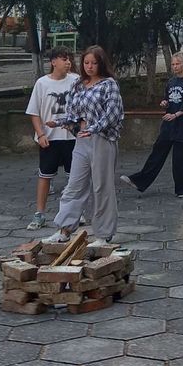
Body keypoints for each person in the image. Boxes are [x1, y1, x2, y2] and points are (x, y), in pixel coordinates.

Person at [47, 45, 124, 245]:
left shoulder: (109, 84)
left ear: (101, 64)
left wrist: (95, 128)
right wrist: (60, 122)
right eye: (86, 63)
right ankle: (64, 230)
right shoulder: (79, 84)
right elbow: (73, 112)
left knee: (102, 187)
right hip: (82, 139)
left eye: (94, 63)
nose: (89, 67)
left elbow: (113, 114)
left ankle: (103, 234)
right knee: (74, 185)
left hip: (102, 139)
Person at [120, 52, 183, 198]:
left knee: (180, 160)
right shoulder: (171, 82)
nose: (175, 67)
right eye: (173, 64)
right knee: (156, 155)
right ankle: (139, 181)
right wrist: (165, 103)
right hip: (169, 126)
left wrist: (176, 115)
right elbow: (169, 99)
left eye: (178, 64)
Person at [24, 47, 80, 229]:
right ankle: (39, 214)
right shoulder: (42, 83)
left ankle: (75, 213)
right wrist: (40, 134)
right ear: (53, 62)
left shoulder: (76, 80)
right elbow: (34, 112)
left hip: (72, 137)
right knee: (45, 175)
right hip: (49, 138)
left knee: (75, 177)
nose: (68, 62)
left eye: (69, 59)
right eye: (64, 59)